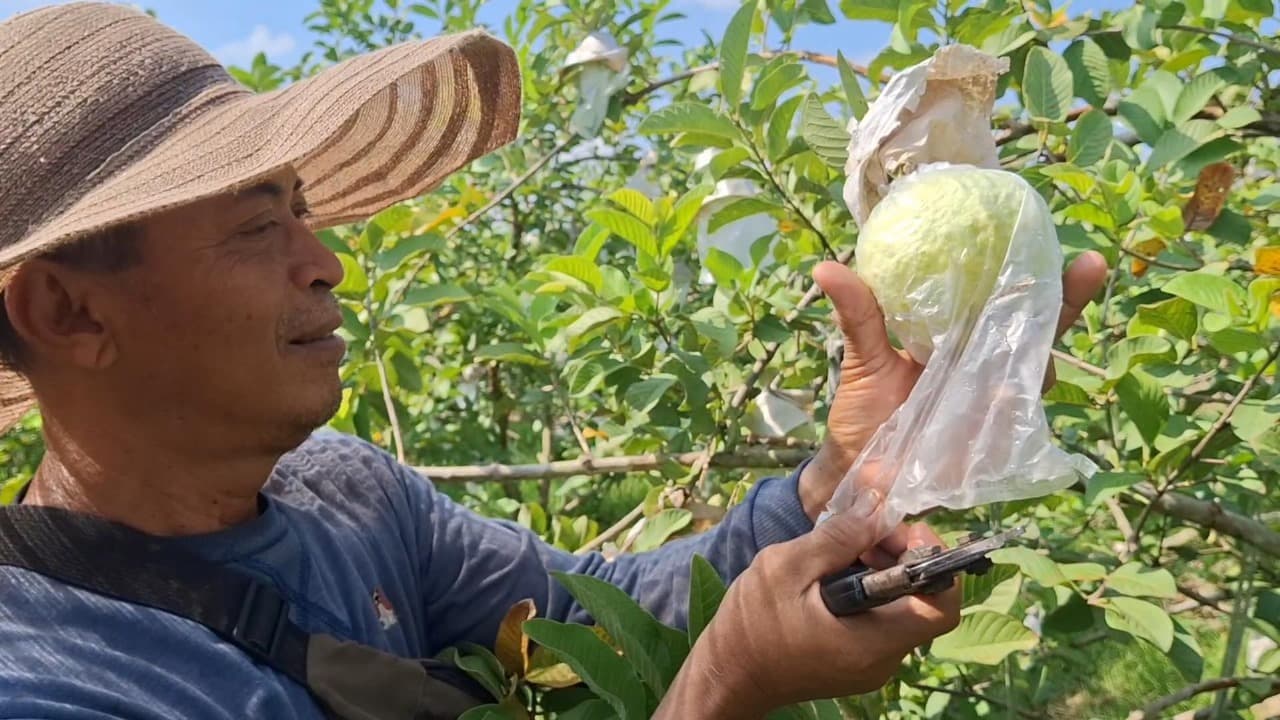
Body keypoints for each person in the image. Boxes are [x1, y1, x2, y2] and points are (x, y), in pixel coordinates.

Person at [0, 3, 1108, 719]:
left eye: (302, 212)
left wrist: (844, 475)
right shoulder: (54, 683)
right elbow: (705, 653)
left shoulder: (347, 493)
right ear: (65, 308)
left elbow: (593, 613)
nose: (324, 262)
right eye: (255, 226)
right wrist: (723, 687)